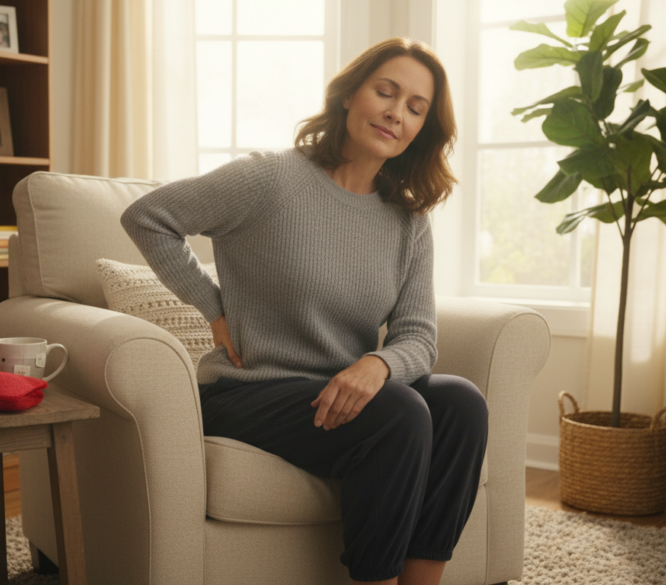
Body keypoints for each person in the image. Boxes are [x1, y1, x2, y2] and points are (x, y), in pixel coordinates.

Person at [121, 38, 487, 585]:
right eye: (385, 92)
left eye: (415, 107)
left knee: (461, 403)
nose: (395, 112)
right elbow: (149, 217)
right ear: (348, 96)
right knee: (402, 414)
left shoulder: (408, 222)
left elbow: (417, 336)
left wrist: (378, 365)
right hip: (249, 392)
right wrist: (212, 307)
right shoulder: (270, 179)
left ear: (422, 129)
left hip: (341, 391)